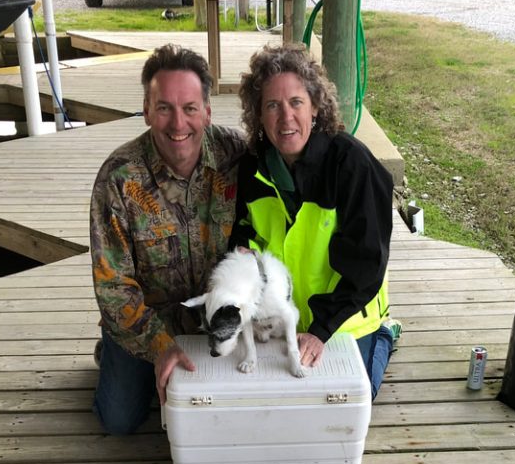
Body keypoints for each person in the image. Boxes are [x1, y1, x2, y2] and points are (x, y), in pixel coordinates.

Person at [90, 44, 246, 433]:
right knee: (120, 422)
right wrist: (160, 346)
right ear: (146, 110)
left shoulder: (238, 155)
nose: (178, 124)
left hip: (217, 318)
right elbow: (113, 286)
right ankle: (111, 354)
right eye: (164, 108)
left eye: (190, 108)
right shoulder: (119, 178)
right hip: (147, 325)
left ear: (208, 111)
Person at [231, 42, 398, 399]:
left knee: (355, 395)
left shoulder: (352, 164)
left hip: (347, 317)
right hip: (286, 317)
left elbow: (368, 262)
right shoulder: (252, 168)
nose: (285, 118)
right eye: (272, 105)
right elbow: (243, 232)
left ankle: (385, 335)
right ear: (258, 115)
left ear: (316, 107)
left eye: (296, 103)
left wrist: (322, 330)